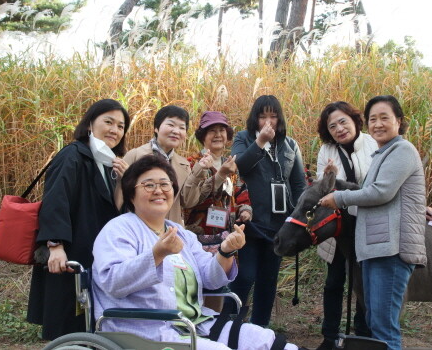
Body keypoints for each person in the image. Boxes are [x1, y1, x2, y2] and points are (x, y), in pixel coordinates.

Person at [92, 155, 304, 350]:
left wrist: (226, 251)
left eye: (165, 184)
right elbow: (112, 281)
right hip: (145, 331)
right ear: (131, 193)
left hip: (196, 325)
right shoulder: (118, 229)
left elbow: (209, 279)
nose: (159, 190)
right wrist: (157, 254)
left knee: (267, 341)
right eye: (149, 185)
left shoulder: (181, 234)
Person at [320, 95, 427, 350]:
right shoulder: (383, 153)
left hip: (390, 249)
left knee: (383, 328)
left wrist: (339, 197)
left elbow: (381, 192)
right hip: (376, 247)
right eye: (373, 119)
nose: (378, 124)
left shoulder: (402, 150)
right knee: (374, 321)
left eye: (384, 118)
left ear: (398, 121)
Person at [27, 99, 131, 340]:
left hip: (94, 251)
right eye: (108, 122)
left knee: (85, 318)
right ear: (89, 124)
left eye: (121, 126)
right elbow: (55, 200)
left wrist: (123, 182)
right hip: (71, 251)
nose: (114, 130)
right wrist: (55, 246)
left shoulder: (107, 161)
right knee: (67, 319)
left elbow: (114, 210)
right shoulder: (73, 155)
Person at [230, 95, 306, 327]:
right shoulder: (243, 138)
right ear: (255, 118)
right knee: (245, 276)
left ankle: (259, 329)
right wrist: (260, 141)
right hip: (249, 223)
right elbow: (239, 166)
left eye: (273, 116)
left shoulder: (290, 144)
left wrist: (297, 219)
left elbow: (299, 184)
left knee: (268, 279)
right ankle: (230, 326)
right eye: (263, 116)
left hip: (279, 226)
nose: (268, 121)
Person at [314, 101, 376, 350]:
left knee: (364, 282)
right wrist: (328, 177)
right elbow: (321, 191)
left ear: (354, 120)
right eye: (332, 126)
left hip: (368, 224)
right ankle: (329, 336)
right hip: (338, 227)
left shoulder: (373, 143)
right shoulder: (326, 150)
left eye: (343, 122)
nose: (339, 129)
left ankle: (361, 334)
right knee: (334, 281)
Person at [183, 111, 252, 251]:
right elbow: (191, 200)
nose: (218, 135)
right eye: (212, 131)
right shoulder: (192, 164)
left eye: (222, 130)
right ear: (203, 136)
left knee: (225, 271)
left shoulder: (231, 163)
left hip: (227, 235)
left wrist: (245, 210)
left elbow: (240, 194)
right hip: (198, 238)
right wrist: (219, 175)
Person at [115, 105, 191, 225]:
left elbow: (187, 201)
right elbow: (118, 198)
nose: (176, 131)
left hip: (169, 231)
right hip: (138, 230)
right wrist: (128, 178)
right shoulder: (134, 156)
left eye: (182, 127)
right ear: (156, 128)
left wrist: (200, 170)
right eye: (171, 125)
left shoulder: (184, 165)